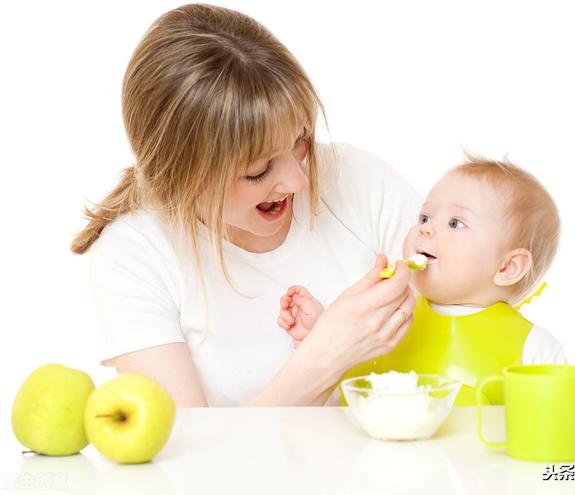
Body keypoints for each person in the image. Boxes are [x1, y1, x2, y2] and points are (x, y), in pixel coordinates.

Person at [70, 4, 423, 407]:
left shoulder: (358, 178)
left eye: (300, 141)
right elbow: (189, 456)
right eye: (258, 171)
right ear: (181, 174)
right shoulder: (136, 255)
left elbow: (474, 293)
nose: (297, 181)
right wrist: (327, 354)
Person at [278, 154, 567, 404]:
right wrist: (319, 332)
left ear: (508, 267)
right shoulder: (392, 317)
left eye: (455, 223)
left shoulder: (533, 348)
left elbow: (553, 429)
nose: (425, 230)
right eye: (425, 217)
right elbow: (349, 387)